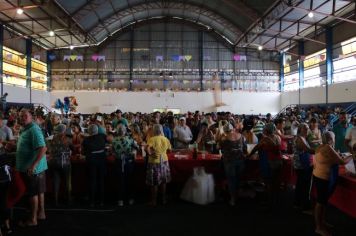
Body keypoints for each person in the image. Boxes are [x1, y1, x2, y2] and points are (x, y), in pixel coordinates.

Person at [313, 131, 352, 236]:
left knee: (323, 201)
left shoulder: (321, 146)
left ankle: (322, 221)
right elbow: (342, 162)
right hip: (322, 178)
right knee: (320, 203)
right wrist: (353, 155)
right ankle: (318, 227)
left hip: (318, 175)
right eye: (333, 138)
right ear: (331, 139)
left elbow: (330, 159)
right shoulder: (328, 148)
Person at [16, 109, 47, 226]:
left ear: (31, 117)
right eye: (20, 116)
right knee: (39, 191)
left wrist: (33, 165)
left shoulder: (33, 129)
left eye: (25, 116)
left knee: (32, 193)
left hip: (33, 169)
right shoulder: (28, 128)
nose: (22, 118)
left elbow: (43, 148)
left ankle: (33, 219)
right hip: (37, 168)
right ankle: (41, 213)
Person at [249, 123, 283, 205]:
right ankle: (276, 200)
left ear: (266, 130)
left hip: (271, 163)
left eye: (264, 129)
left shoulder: (265, 139)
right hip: (279, 161)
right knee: (276, 182)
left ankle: (269, 203)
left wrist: (248, 155)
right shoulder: (278, 137)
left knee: (269, 183)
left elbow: (256, 148)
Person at [219, 123, 247, 206]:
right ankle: (237, 196)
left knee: (231, 181)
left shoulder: (224, 138)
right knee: (238, 179)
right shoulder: (241, 136)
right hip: (240, 161)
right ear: (232, 129)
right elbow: (245, 149)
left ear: (224, 130)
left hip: (229, 162)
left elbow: (219, 147)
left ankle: (233, 199)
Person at [112, 125, 138, 206]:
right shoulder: (130, 139)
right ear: (125, 131)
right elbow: (137, 147)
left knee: (120, 181)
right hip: (128, 162)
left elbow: (112, 151)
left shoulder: (114, 140)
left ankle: (120, 200)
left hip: (118, 162)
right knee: (129, 180)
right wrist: (133, 152)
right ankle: (130, 199)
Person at [146, 124, 172, 206]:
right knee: (163, 181)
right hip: (164, 161)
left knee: (154, 182)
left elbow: (147, 148)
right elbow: (170, 151)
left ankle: (154, 201)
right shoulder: (165, 139)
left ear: (154, 130)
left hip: (154, 162)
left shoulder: (152, 139)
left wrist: (150, 153)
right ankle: (163, 199)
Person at [82, 124, 107, 207]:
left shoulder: (86, 140)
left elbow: (83, 152)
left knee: (92, 181)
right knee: (101, 181)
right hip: (101, 161)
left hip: (91, 161)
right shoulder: (102, 136)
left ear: (89, 131)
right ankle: (102, 201)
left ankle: (92, 201)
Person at [48, 124, 72, 206]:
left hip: (54, 162)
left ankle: (55, 200)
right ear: (64, 130)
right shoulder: (68, 139)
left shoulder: (52, 138)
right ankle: (68, 199)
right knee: (67, 181)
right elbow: (73, 148)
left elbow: (49, 148)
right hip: (65, 162)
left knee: (56, 181)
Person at [293, 123, 315, 213]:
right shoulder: (299, 138)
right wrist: (321, 150)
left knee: (300, 185)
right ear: (300, 129)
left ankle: (298, 203)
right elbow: (308, 150)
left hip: (302, 165)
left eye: (307, 128)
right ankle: (305, 206)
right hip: (302, 166)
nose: (307, 129)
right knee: (304, 186)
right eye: (305, 128)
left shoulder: (303, 138)